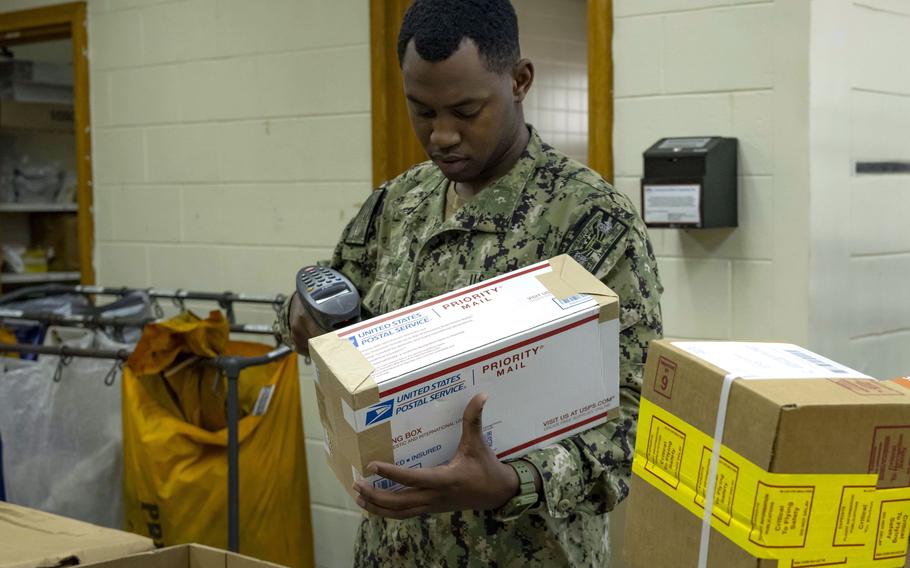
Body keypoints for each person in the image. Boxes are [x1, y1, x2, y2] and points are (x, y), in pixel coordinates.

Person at [273, 0, 663, 565]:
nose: (442, 136)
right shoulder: (397, 204)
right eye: (422, 111)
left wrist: (511, 481)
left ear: (520, 80)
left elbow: (637, 423)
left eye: (465, 109)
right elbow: (324, 309)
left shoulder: (588, 222)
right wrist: (300, 320)